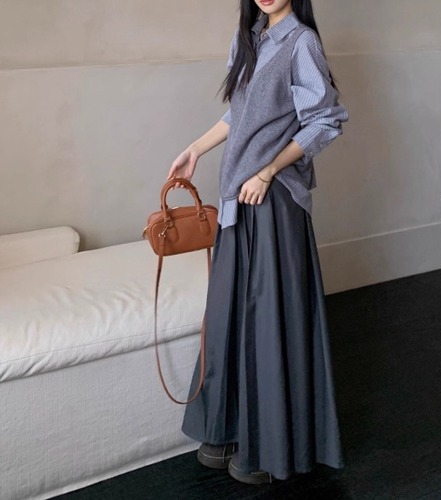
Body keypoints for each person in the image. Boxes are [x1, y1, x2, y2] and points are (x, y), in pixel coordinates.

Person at [167, 0, 348, 485]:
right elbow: (240, 114)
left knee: (269, 319)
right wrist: (195, 150)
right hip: (236, 195)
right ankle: (227, 430)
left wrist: (268, 171)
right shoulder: (248, 38)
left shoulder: (302, 43)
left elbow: (325, 121)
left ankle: (270, 445)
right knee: (229, 313)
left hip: (273, 198)